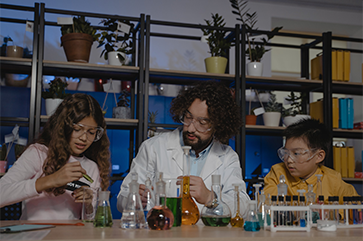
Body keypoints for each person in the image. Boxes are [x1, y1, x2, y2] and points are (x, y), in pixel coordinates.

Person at [117, 81, 250, 218]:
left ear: (218, 124)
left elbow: (243, 205)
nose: (191, 128)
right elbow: (121, 199)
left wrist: (211, 198)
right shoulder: (154, 147)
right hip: (163, 234)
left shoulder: (227, 156)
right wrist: (134, 199)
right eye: (188, 117)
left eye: (202, 123)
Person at [0, 93, 111, 220]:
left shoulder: (92, 168)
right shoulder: (38, 153)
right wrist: (51, 180)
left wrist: (88, 205)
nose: (84, 138)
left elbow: (90, 222)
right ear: (64, 126)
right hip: (34, 235)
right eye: (77, 129)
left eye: (91, 132)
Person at [264, 118, 358, 203]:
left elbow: (357, 210)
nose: (289, 160)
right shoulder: (277, 174)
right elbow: (266, 205)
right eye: (286, 153)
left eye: (296, 153)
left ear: (319, 156)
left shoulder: (333, 180)